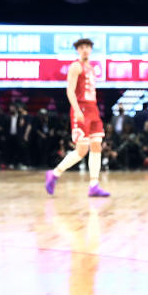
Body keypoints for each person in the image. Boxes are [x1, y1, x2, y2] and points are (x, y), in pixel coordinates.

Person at [44, 38, 110, 197]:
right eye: (82, 47)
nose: (85, 49)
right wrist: (76, 110)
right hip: (80, 108)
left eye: (88, 46)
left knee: (97, 146)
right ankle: (54, 173)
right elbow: (70, 90)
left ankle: (94, 184)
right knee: (81, 150)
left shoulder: (92, 68)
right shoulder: (76, 66)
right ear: (78, 50)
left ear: (91, 49)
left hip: (93, 108)